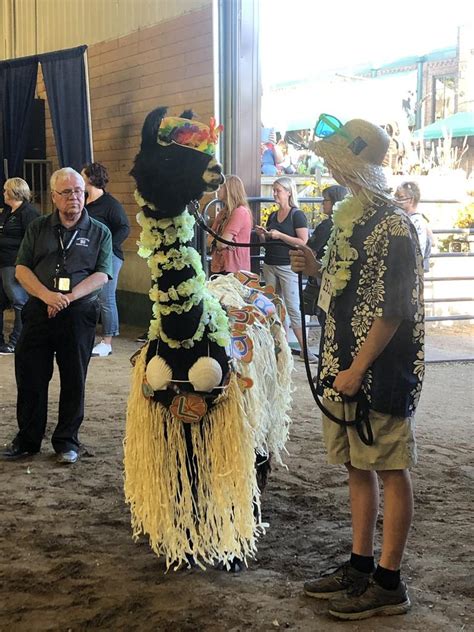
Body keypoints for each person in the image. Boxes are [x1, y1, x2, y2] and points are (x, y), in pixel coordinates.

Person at [290, 115, 424, 620]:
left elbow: (394, 311)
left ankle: (389, 582)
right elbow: (348, 291)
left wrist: (357, 368)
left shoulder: (395, 226)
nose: (332, 171)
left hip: (380, 373)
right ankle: (360, 564)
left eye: (337, 162)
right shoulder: (351, 219)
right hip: (343, 364)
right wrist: (317, 269)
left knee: (389, 467)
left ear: (359, 165)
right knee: (356, 466)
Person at [2, 168, 113, 464]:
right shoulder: (37, 227)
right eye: (66, 192)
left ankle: (66, 442)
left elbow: (102, 274)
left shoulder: (99, 231)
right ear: (54, 197)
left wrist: (67, 298)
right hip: (39, 309)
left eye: (79, 191)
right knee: (30, 377)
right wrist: (47, 296)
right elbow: (22, 269)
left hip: (78, 314)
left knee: (74, 378)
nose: (74, 197)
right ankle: (27, 440)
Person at [255, 176, 315, 362]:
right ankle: (277, 345)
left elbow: (303, 241)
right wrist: (263, 236)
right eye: (274, 190)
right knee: (271, 306)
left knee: (293, 307)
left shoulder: (297, 215)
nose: (274, 194)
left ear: (288, 192)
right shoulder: (273, 215)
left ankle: (304, 349)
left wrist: (279, 234)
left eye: (278, 190)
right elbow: (269, 240)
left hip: (287, 266)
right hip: (270, 263)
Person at [82, 162, 130, 357]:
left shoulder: (110, 204)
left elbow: (124, 228)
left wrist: (108, 247)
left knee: (106, 298)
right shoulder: (84, 201)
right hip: (88, 256)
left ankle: (107, 342)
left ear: (91, 179)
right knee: (87, 297)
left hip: (110, 256)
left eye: (82, 175)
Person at [0, 178, 40, 354]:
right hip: (3, 263)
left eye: (5, 190)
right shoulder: (7, 212)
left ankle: (18, 339)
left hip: (13, 262)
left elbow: (30, 240)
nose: (3, 193)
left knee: (19, 301)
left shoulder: (28, 213)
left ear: (13, 192)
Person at [303, 185, 348, 324]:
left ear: (335, 202)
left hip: (324, 278)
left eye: (325, 200)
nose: (322, 203)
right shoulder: (347, 224)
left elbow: (309, 249)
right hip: (336, 280)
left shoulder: (327, 225)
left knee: (325, 317)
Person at [208, 174, 253, 274]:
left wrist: (220, 242)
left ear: (229, 190)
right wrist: (221, 242)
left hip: (234, 268)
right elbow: (209, 239)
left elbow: (222, 243)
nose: (218, 190)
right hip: (219, 265)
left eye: (221, 187)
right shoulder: (222, 213)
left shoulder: (240, 212)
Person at [395, 181, 433, 273]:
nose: (396, 200)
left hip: (409, 273)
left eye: (400, 197)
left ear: (411, 200)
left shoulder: (414, 222)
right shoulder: (414, 220)